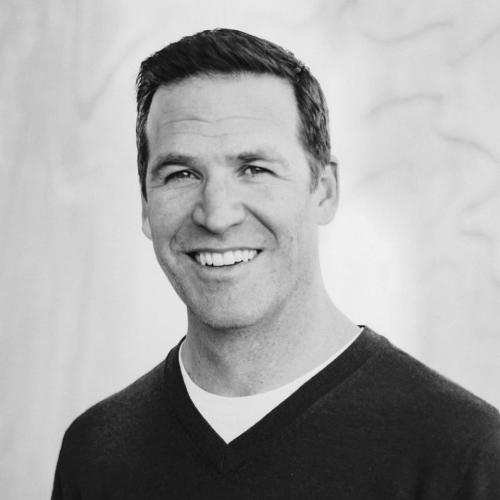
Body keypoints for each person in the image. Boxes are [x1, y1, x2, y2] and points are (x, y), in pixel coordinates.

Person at [51, 28, 500, 499]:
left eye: (254, 169)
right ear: (146, 205)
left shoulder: (462, 455)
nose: (217, 215)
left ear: (324, 190)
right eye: (182, 173)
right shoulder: (96, 452)